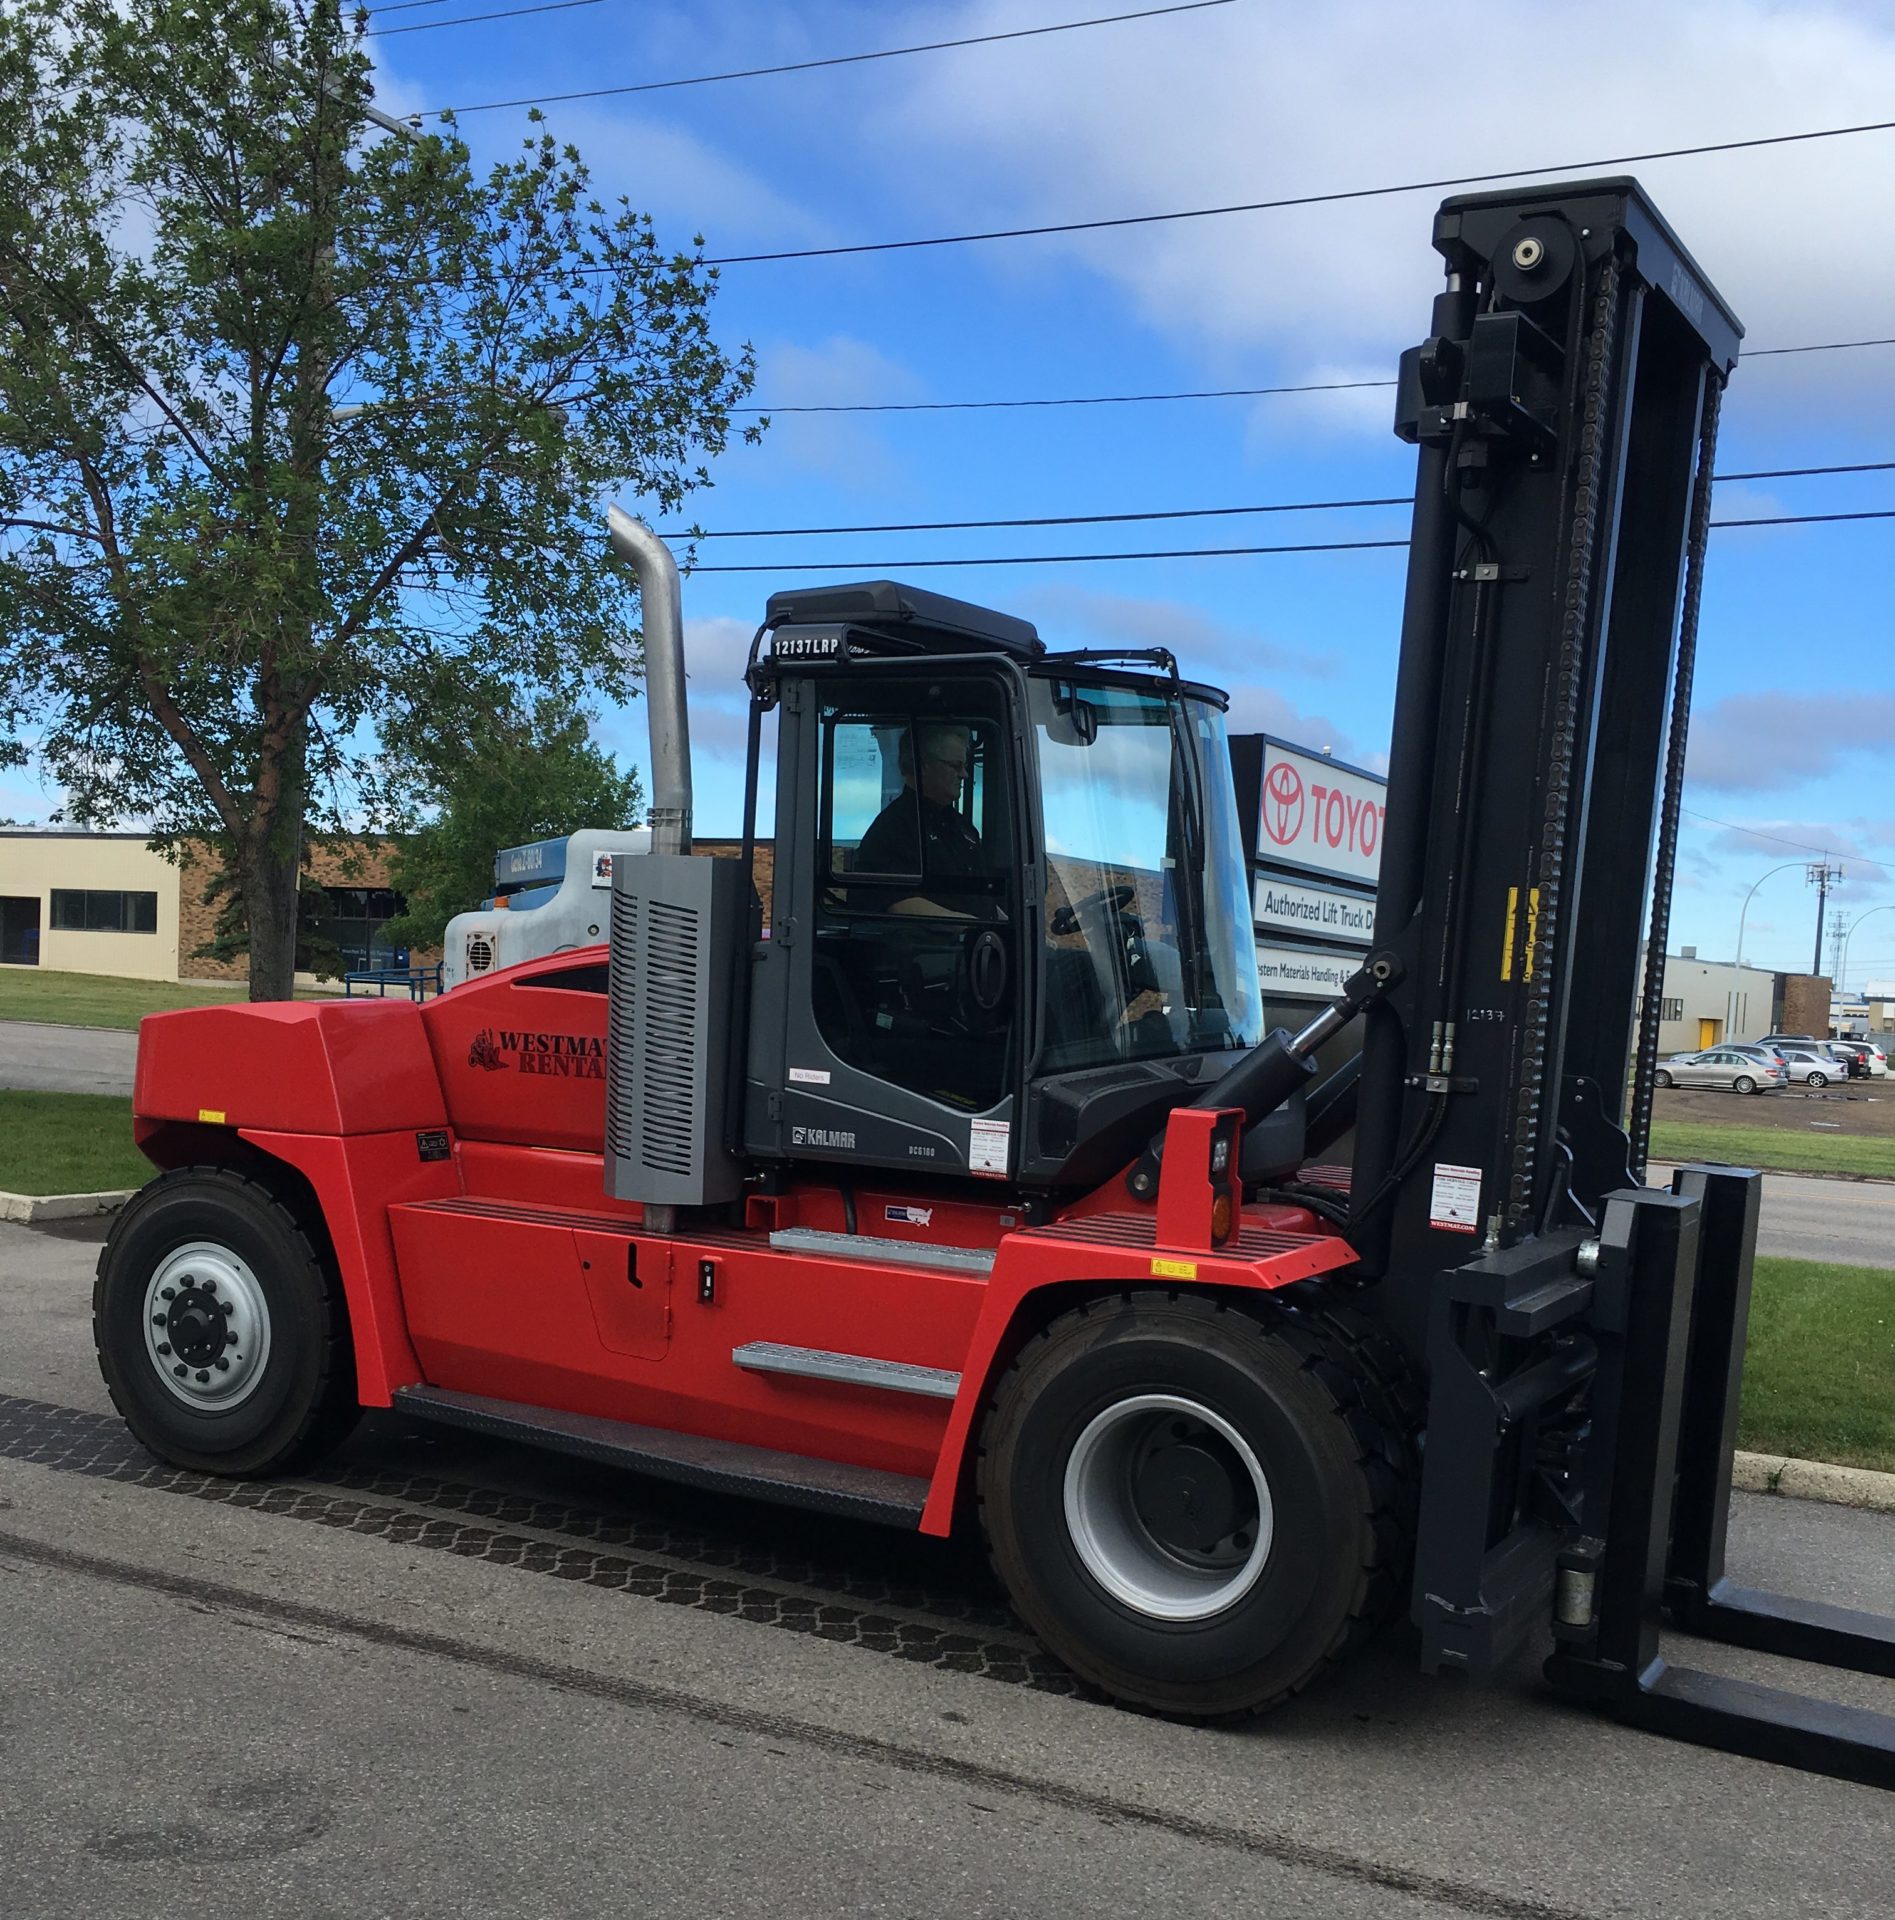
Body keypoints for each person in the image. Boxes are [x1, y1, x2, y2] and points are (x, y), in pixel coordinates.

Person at [853, 722, 989, 911]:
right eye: (956, 766)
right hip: (930, 939)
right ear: (923, 766)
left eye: (965, 766)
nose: (964, 774)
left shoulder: (964, 829)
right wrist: (972, 928)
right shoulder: (892, 830)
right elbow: (894, 901)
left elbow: (983, 900)